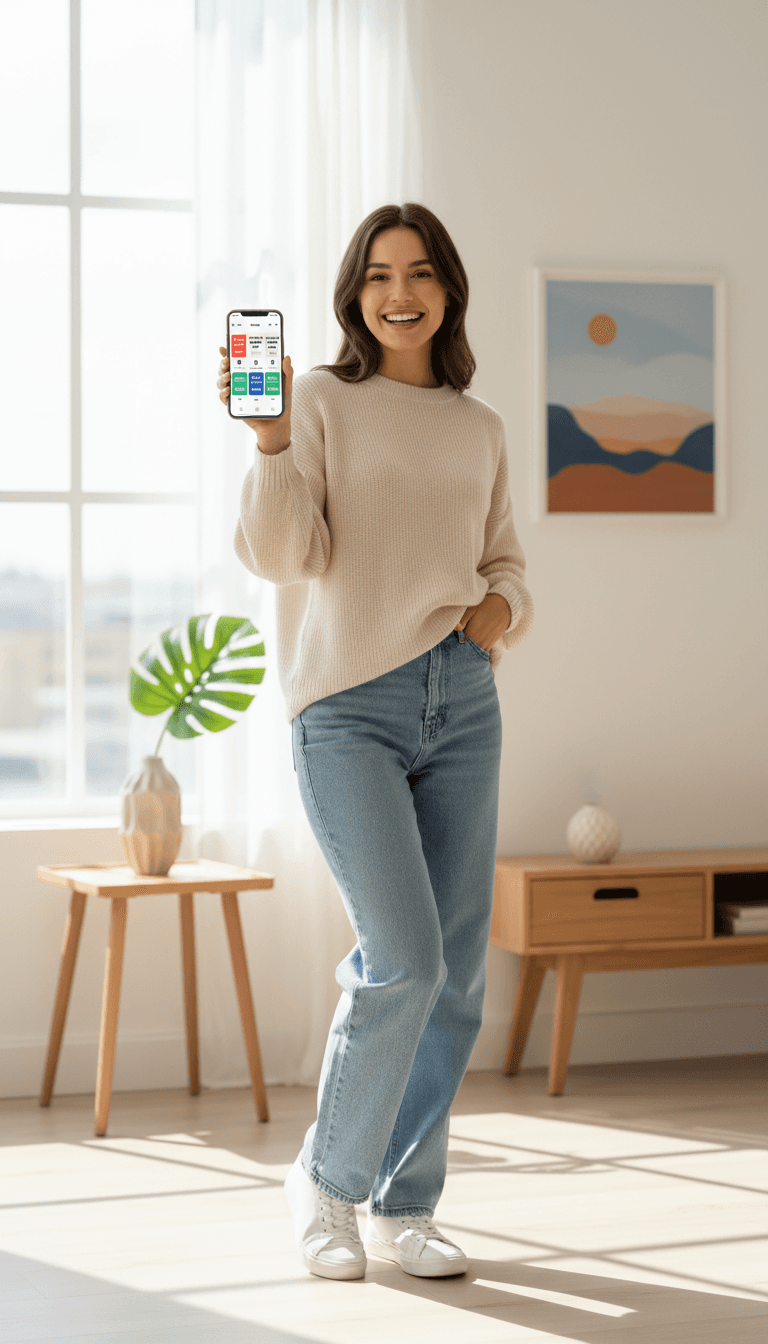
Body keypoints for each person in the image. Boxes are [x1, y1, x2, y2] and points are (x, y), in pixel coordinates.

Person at [217, 202, 534, 1282]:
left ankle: (409, 1204)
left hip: (463, 697)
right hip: (347, 704)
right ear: (353, 295)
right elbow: (279, 555)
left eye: (421, 272)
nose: (400, 293)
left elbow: (505, 560)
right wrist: (267, 443)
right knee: (401, 958)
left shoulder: (477, 424)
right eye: (378, 275)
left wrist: (500, 612)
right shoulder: (315, 400)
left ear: (448, 288)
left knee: (452, 979)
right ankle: (331, 1196)